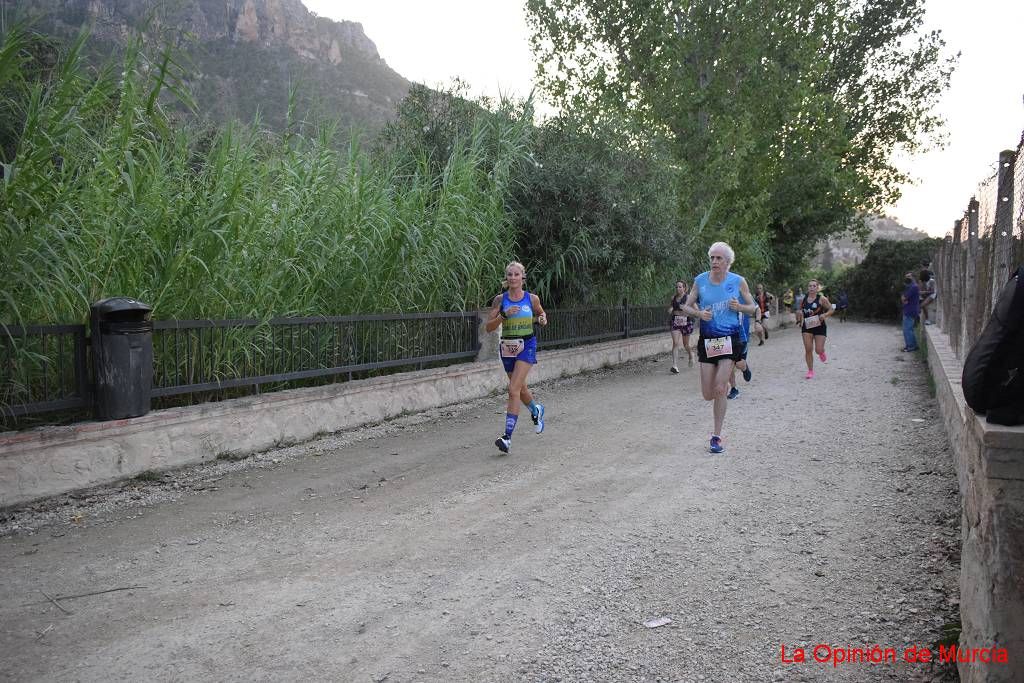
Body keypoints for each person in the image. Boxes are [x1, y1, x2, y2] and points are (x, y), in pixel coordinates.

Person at [677, 241, 758, 454]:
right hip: (708, 342)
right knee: (707, 393)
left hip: (730, 340)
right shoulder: (700, 281)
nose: (714, 261)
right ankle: (742, 366)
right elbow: (684, 306)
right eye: (712, 257)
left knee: (720, 388)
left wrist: (740, 307)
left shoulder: (738, 282)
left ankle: (716, 436)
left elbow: (753, 307)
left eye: (719, 258)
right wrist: (698, 314)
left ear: (727, 262)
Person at [485, 262, 548, 453]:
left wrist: (542, 319)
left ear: (523, 277)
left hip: (527, 345)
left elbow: (541, 315)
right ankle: (536, 410)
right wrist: (503, 316)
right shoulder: (500, 300)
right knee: (520, 390)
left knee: (513, 389)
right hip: (507, 347)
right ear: (507, 278)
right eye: (509, 274)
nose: (513, 277)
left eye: (516, 274)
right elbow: (488, 327)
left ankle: (507, 438)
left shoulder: (532, 298)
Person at [796, 279, 833, 379]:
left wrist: (824, 315)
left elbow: (831, 309)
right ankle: (810, 371)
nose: (811, 288)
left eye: (814, 286)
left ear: (817, 288)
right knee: (808, 349)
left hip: (819, 326)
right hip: (807, 326)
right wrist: (799, 316)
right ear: (808, 288)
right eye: (810, 286)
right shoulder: (803, 299)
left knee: (818, 349)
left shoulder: (822, 299)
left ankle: (821, 352)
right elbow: (800, 310)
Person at [667, 280, 695, 372]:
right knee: (675, 342)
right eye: (677, 287)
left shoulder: (688, 298)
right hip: (675, 321)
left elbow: (696, 310)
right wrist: (671, 309)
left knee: (685, 344)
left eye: (680, 287)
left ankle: (691, 355)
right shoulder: (673, 298)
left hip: (686, 322)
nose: (678, 288)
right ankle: (674, 365)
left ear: (684, 288)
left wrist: (688, 311)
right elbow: (672, 306)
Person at [901, 272, 920, 352]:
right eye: (906, 276)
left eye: (909, 276)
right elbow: (904, 299)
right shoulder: (912, 286)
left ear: (913, 277)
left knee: (907, 329)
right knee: (909, 329)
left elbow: (904, 298)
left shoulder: (913, 287)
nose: (907, 278)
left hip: (910, 310)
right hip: (910, 309)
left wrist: (903, 298)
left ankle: (911, 347)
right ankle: (913, 345)